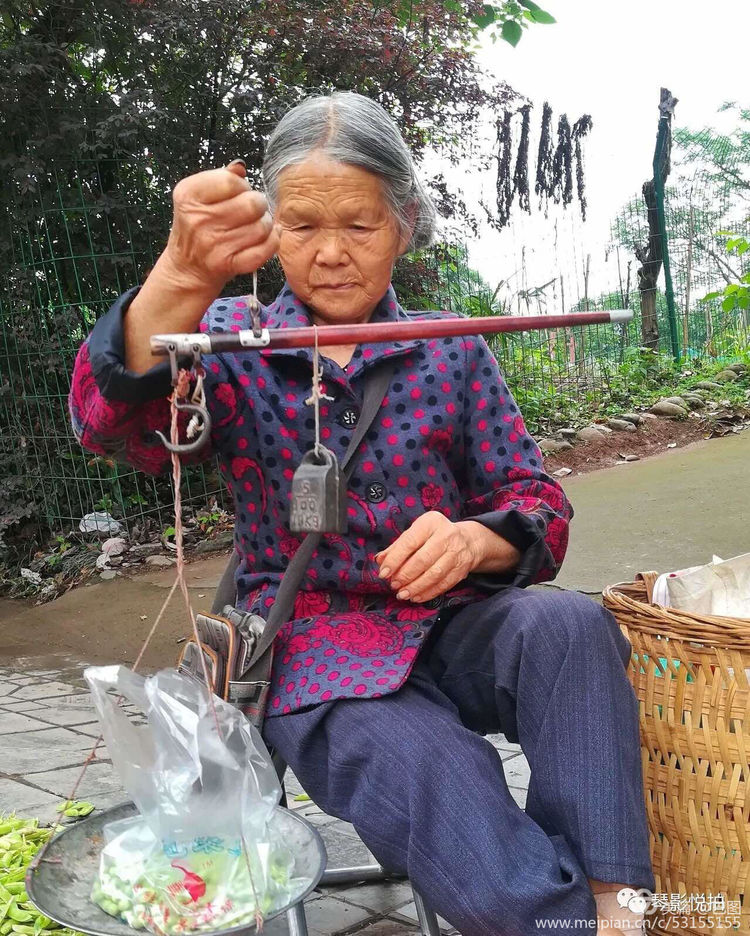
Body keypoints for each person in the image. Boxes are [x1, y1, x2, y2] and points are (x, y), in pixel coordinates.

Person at [69, 91, 654, 934]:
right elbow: (104, 421)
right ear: (266, 229)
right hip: (315, 651)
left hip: (451, 628)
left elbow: (536, 503)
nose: (331, 255)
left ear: (405, 224)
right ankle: (554, 921)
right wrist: (181, 278)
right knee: (433, 767)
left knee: (569, 630)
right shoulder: (229, 339)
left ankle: (617, 906)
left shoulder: (452, 346)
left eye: (361, 225)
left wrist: (473, 541)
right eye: (302, 227)